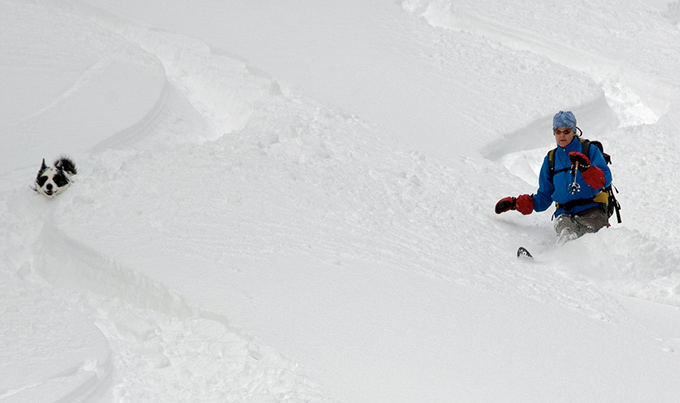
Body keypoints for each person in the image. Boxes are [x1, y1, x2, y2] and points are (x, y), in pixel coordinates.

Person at [495, 111, 612, 243]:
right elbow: (544, 197)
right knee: (566, 235)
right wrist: (515, 204)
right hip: (564, 214)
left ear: (574, 131)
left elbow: (605, 180)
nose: (562, 135)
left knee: (596, 242)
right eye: (558, 131)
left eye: (566, 131)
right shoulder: (551, 159)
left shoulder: (590, 150)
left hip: (592, 210)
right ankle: (558, 261)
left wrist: (587, 169)